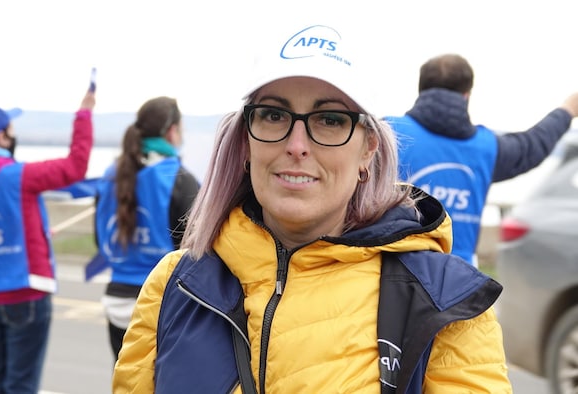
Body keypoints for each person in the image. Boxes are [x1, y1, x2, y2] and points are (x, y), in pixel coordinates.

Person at [112, 23, 512, 393]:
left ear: (367, 148)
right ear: (246, 140)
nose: (297, 144)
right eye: (273, 115)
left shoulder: (445, 302)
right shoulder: (175, 284)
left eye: (330, 120)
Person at [0, 88, 95, 394]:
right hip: (25, 292)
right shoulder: (20, 175)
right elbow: (75, 166)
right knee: (21, 386)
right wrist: (84, 115)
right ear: (2, 137)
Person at [385, 54, 578, 266]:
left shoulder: (387, 135)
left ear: (420, 90)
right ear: (466, 95)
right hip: (458, 281)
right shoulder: (488, 148)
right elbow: (532, 145)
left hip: (392, 270)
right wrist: (568, 109)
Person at [91, 96, 200, 361]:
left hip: (117, 301)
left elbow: (100, 240)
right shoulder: (179, 179)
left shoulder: (111, 174)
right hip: (161, 305)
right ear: (172, 131)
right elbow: (196, 254)